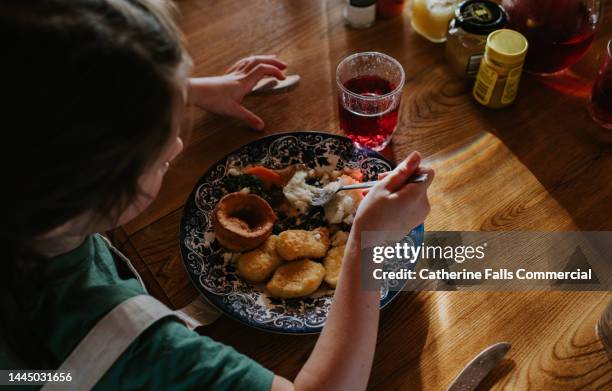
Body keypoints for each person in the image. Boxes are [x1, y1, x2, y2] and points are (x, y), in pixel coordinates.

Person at [0, 0, 434, 390]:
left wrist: (173, 89)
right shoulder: (132, 347)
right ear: (90, 190)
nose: (177, 146)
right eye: (158, 147)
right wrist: (365, 242)